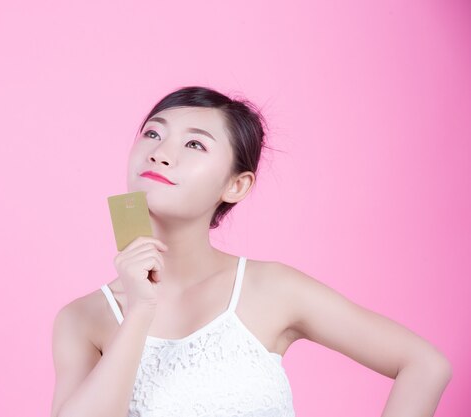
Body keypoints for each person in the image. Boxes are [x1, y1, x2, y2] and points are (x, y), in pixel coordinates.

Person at [50, 86, 452, 417]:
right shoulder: (82, 319)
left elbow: (424, 365)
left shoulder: (272, 288)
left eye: (194, 143)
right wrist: (140, 309)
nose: (160, 152)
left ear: (236, 186)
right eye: (153, 133)